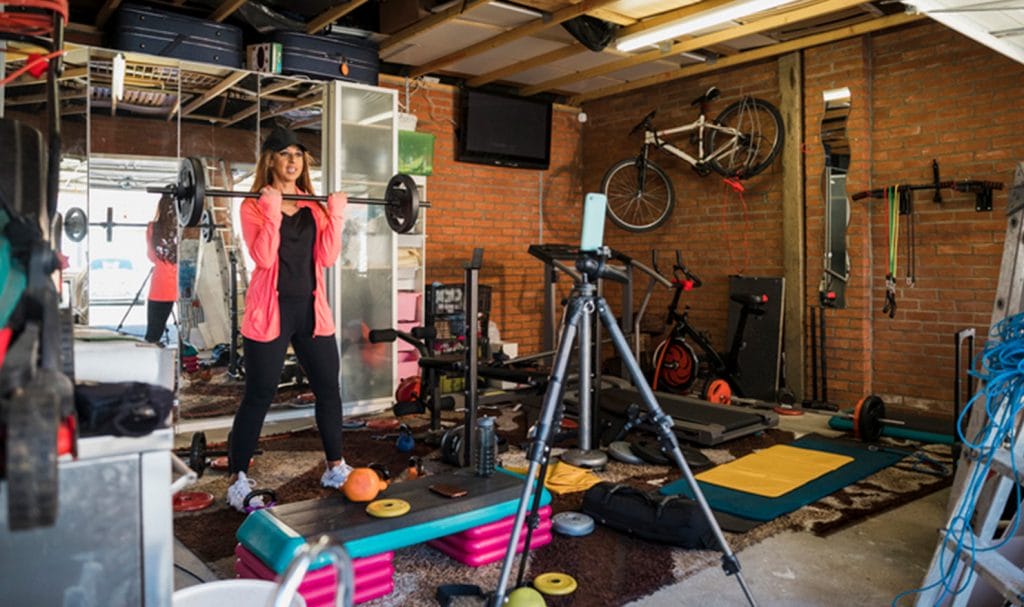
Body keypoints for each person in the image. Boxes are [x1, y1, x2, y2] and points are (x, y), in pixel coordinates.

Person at [226, 126, 351, 513]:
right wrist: (271, 210)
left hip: (312, 310)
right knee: (259, 394)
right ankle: (237, 478)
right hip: (271, 310)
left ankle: (335, 467)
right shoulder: (252, 206)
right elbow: (264, 258)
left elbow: (328, 257)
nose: (293, 160)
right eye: (285, 153)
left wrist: (338, 215)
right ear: (271, 160)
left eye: (299, 154)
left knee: (328, 389)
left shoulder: (314, 206)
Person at [144, 193, 178, 344]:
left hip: (161, 283)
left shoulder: (152, 227)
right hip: (182, 280)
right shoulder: (184, 227)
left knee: (153, 333)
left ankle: (152, 362)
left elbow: (151, 256)